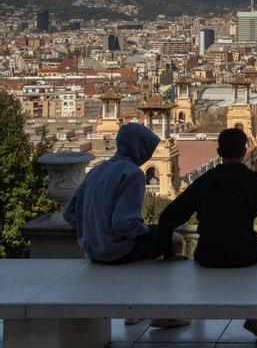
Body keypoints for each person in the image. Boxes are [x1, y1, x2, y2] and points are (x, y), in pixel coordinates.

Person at [157, 128, 257, 340]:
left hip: (208, 255)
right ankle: (256, 316)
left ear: (218, 151)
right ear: (243, 152)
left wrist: (169, 254)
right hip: (246, 254)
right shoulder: (254, 180)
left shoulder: (204, 181)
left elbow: (167, 219)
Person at [62, 122, 188, 329]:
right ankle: (166, 313)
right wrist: (145, 230)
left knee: (152, 237)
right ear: (140, 148)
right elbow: (124, 224)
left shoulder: (97, 170)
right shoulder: (132, 174)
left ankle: (134, 310)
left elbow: (69, 213)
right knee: (173, 239)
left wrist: (95, 229)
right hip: (115, 250)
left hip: (92, 249)